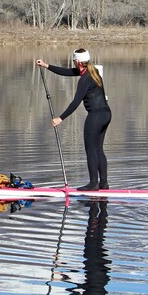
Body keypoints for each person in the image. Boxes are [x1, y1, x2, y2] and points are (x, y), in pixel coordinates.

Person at [35, 49, 111, 190]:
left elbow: (75, 102)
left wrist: (60, 118)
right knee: (98, 149)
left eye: (74, 61)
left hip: (95, 116)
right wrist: (47, 66)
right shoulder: (92, 71)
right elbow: (69, 72)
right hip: (106, 114)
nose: (73, 64)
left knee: (91, 149)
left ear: (78, 62)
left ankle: (93, 184)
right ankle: (104, 184)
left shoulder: (85, 79)